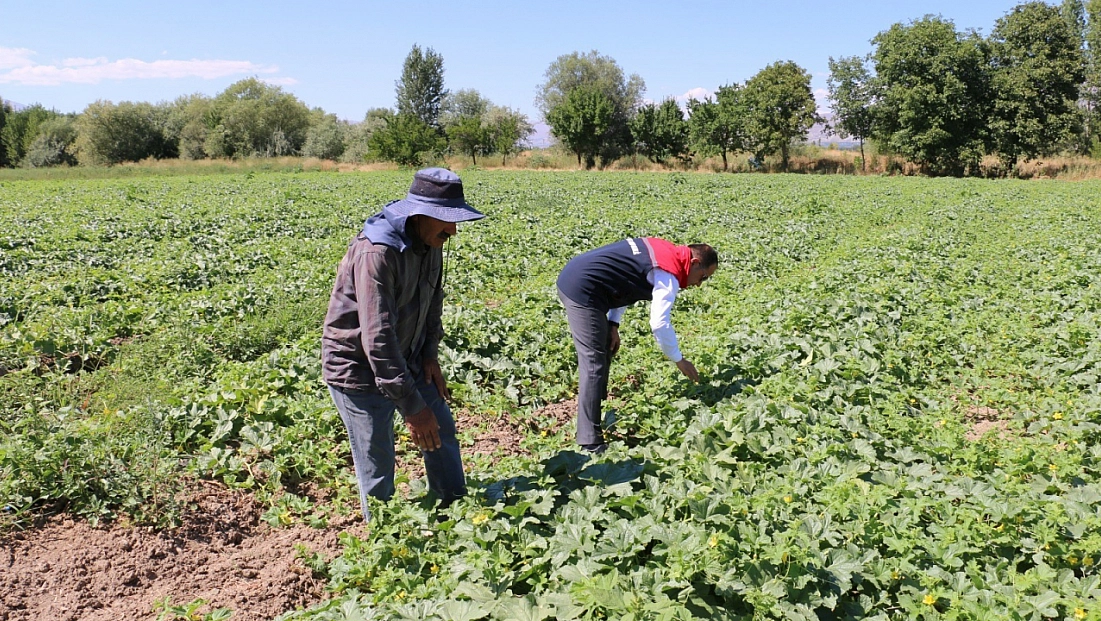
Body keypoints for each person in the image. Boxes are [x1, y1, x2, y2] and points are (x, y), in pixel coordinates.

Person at [322, 167, 485, 522]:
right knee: (377, 464)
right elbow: (377, 338)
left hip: (407, 357)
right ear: (419, 213)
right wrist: (413, 407)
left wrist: (429, 356)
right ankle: (384, 541)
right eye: (447, 220)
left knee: (440, 427)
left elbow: (432, 301)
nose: (453, 230)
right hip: (358, 370)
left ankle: (454, 510)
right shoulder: (378, 252)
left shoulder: (430, 242)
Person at [556, 237, 718, 454]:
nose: (698, 284)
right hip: (582, 289)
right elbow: (659, 323)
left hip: (584, 278)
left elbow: (625, 280)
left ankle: (596, 402)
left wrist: (613, 324)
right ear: (695, 263)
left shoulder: (663, 251)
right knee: (593, 361)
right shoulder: (668, 274)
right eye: (703, 278)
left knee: (604, 346)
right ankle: (590, 442)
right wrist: (678, 359)